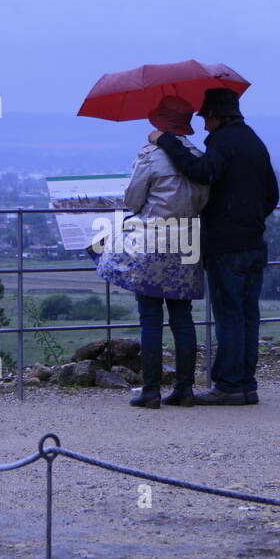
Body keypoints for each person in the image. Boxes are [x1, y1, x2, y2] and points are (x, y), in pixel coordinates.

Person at [149, 87, 278, 405]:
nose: (204, 124)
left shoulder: (224, 141)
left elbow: (201, 172)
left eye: (206, 117)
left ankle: (230, 386)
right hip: (254, 243)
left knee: (229, 315)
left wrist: (164, 139)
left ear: (217, 116)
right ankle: (246, 384)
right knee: (249, 315)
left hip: (226, 245)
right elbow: (271, 194)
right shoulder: (253, 141)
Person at [94, 95, 208, 408]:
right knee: (182, 318)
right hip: (187, 241)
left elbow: (132, 201)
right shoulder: (199, 156)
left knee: (150, 317)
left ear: (159, 124)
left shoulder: (149, 157)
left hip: (152, 241)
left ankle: (151, 390)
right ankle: (185, 389)